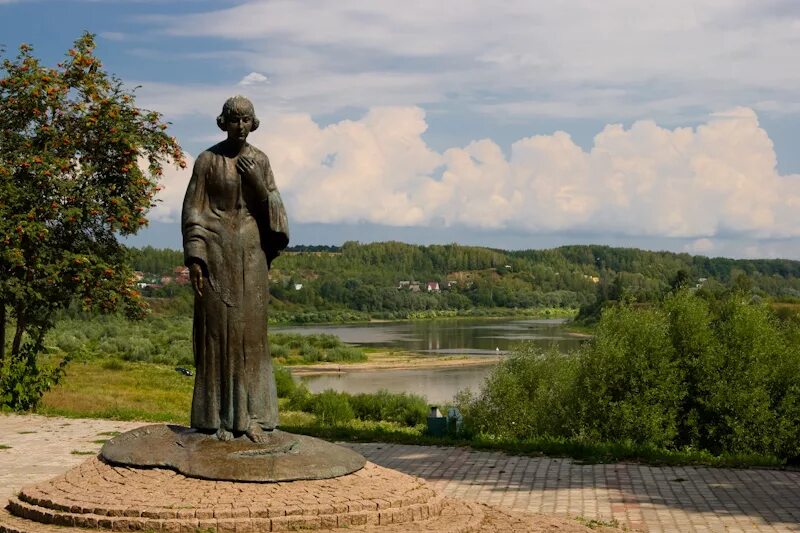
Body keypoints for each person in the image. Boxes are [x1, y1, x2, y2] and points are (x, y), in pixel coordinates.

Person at [181, 96, 289, 442]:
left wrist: (257, 182)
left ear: (253, 123)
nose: (240, 126)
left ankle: (254, 417)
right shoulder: (207, 161)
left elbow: (275, 211)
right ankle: (215, 421)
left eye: (246, 120)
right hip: (215, 256)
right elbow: (193, 210)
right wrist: (195, 255)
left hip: (251, 256)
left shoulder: (260, 160)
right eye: (233, 120)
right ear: (223, 122)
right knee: (217, 335)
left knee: (251, 337)